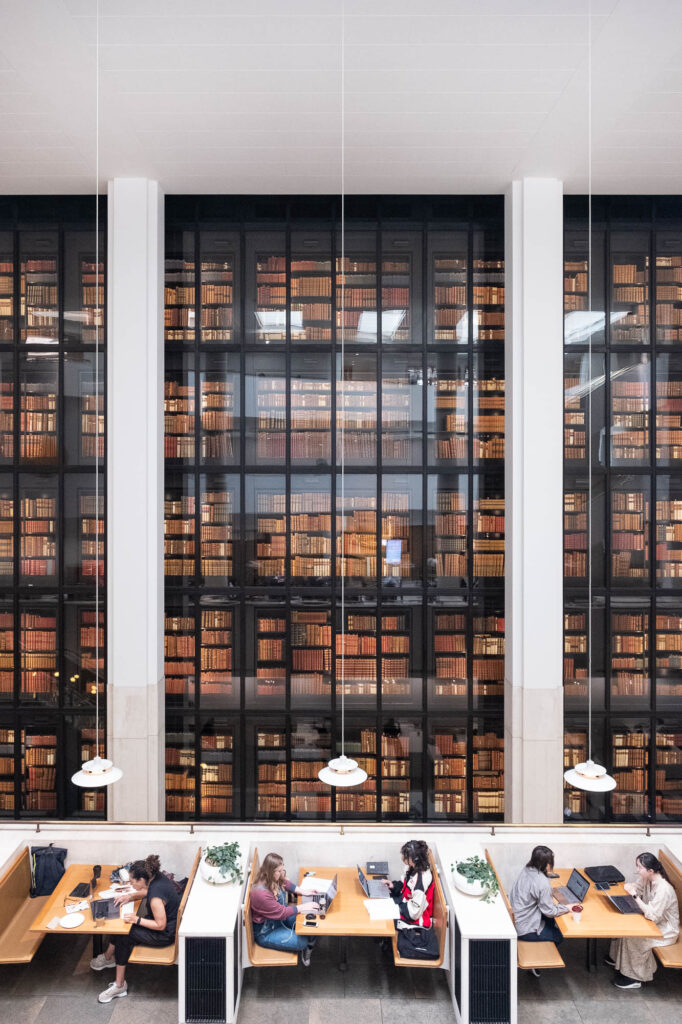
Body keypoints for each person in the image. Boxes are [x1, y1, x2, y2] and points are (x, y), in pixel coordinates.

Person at [90, 854, 181, 1003]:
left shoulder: (156, 898)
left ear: (142, 880)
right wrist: (130, 897)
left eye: (133, 882)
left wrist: (136, 919)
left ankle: (119, 985)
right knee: (122, 930)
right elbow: (147, 891)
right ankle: (108, 957)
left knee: (124, 936)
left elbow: (160, 925)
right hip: (166, 925)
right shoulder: (156, 878)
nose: (131, 885)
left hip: (164, 935)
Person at [607, 852, 680, 990]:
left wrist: (634, 896)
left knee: (634, 938)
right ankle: (618, 960)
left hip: (666, 929)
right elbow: (637, 887)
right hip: (654, 922)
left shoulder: (664, 889)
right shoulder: (648, 878)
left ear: (650, 871)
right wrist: (631, 888)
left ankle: (635, 977)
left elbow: (652, 915)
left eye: (639, 867)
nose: (637, 870)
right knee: (624, 927)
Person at [249, 853, 320, 966]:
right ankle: (305, 944)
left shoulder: (271, 876)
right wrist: (302, 907)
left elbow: (284, 882)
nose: (282, 873)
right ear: (270, 871)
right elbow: (282, 913)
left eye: (283, 869)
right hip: (267, 931)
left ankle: (308, 942)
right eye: (279, 871)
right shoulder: (261, 894)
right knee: (302, 941)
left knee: (313, 920)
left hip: (278, 919)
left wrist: (302, 891)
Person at [510, 845, 570, 968]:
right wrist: (567, 908)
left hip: (517, 917)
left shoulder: (526, 869)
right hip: (525, 929)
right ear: (546, 864)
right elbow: (549, 911)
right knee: (559, 935)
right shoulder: (542, 883)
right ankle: (536, 963)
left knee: (552, 922)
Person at [386, 839, 434, 930]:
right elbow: (406, 887)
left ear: (413, 859)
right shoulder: (413, 868)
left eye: (405, 856)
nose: (402, 857)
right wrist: (393, 886)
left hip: (414, 919)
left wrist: (396, 906)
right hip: (405, 903)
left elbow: (414, 913)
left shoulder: (420, 881)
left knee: (384, 918)